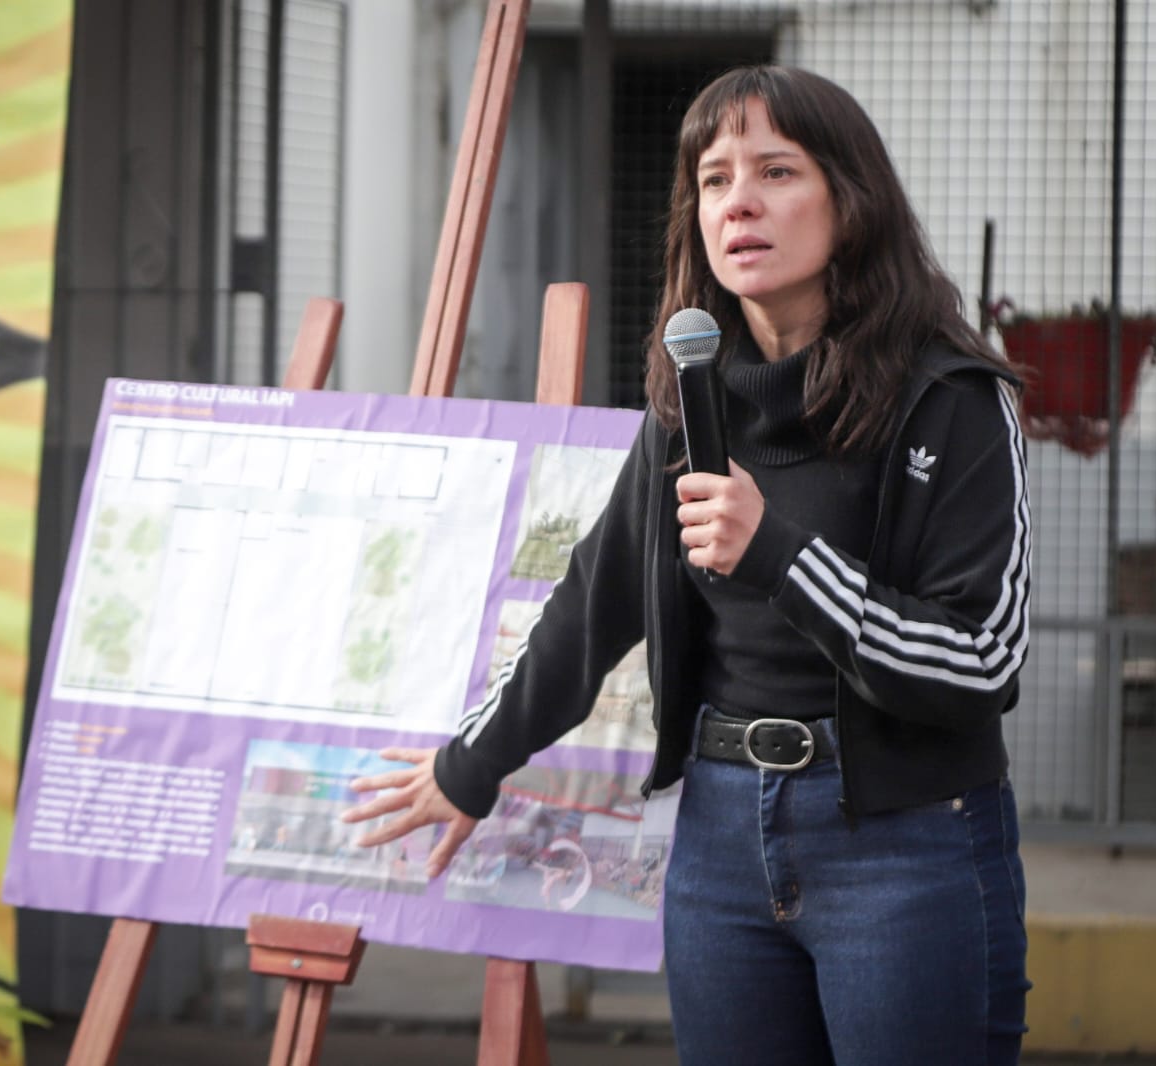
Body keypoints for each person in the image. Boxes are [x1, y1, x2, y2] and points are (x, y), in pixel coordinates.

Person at [344, 64, 1031, 1066]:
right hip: (720, 840)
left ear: (851, 200)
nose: (738, 201)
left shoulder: (951, 399)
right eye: (714, 179)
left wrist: (779, 552)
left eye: (776, 171)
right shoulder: (690, 397)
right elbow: (593, 603)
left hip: (907, 845)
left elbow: (979, 661)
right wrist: (469, 765)